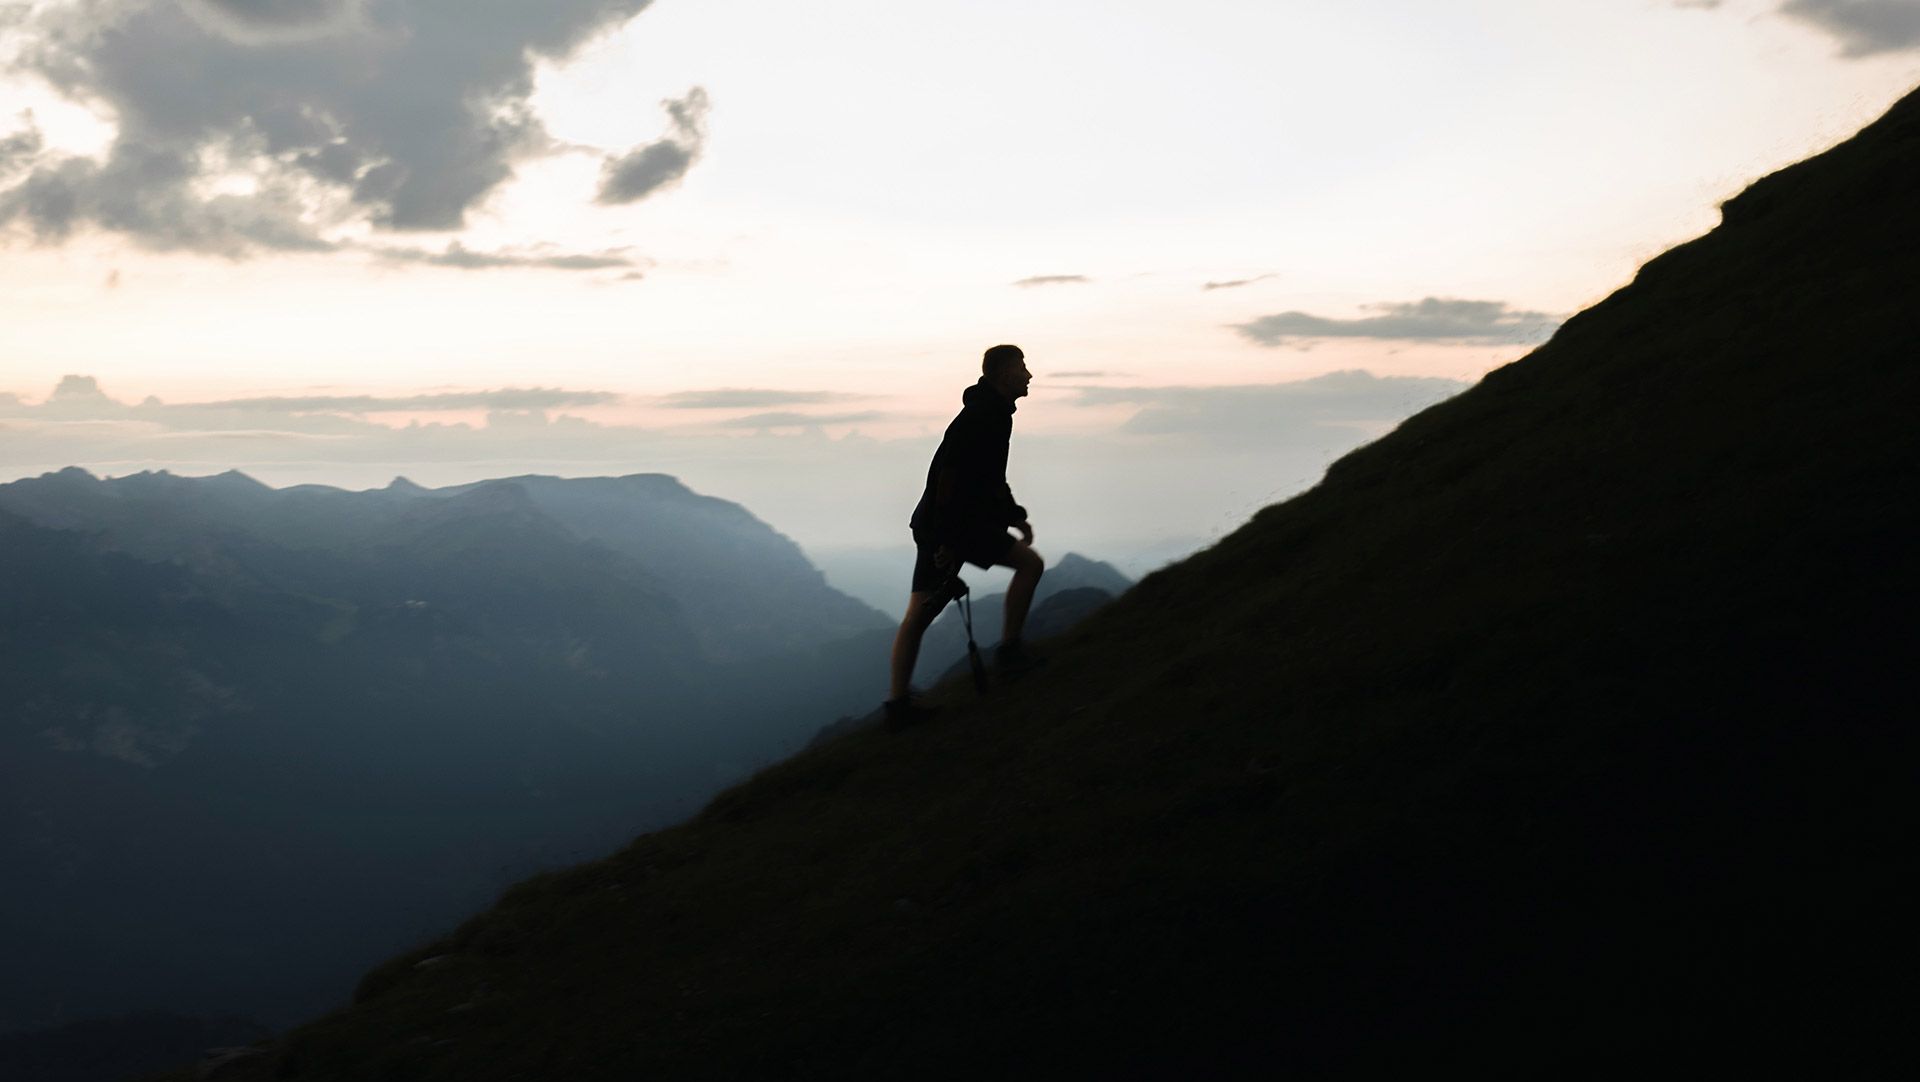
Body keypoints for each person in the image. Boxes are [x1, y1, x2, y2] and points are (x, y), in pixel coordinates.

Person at [885, 344, 1046, 728]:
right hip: (953, 528)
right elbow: (948, 480)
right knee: (1028, 565)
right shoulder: (981, 416)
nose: (1029, 375)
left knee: (920, 612)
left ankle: (897, 705)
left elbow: (991, 478)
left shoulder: (993, 413)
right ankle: (1008, 655)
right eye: (1022, 367)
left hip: (956, 525)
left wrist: (1014, 516)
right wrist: (943, 542)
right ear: (1005, 373)